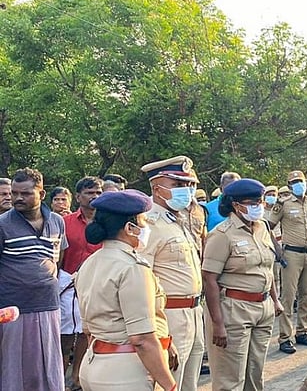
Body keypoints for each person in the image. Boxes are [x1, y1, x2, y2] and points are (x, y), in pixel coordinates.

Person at [75, 189, 177, 391]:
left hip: (95, 363)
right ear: (130, 228)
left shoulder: (90, 262)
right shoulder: (132, 267)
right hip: (126, 371)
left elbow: (88, 330)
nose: (147, 227)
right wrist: (170, 386)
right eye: (143, 221)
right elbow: (142, 340)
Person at [202, 179, 282, 391]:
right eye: (253, 203)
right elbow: (209, 279)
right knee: (230, 378)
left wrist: (275, 300)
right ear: (236, 205)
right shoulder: (222, 234)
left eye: (260, 201)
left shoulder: (262, 227)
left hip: (263, 308)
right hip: (234, 309)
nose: (259, 206)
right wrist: (217, 324)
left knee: (254, 375)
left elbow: (266, 268)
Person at [139, 156, 206, 391]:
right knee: (168, 382)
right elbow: (143, 281)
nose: (186, 190)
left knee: (190, 384)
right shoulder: (148, 224)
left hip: (193, 312)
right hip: (170, 315)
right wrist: (159, 331)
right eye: (177, 185)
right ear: (157, 189)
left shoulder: (177, 219)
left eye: (187, 185)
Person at [0, 168, 68, 391]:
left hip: (48, 304)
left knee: (47, 368)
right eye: (14, 193)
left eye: (26, 193)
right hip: (13, 308)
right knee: (15, 370)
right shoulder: (3, 224)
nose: (18, 198)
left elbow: (57, 259)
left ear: (42, 193)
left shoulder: (57, 222)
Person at [269, 170, 307, 353]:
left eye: (301, 181)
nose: (299, 184)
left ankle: (302, 331)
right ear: (290, 186)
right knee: (288, 297)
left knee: (306, 295)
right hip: (290, 254)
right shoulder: (283, 204)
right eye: (294, 182)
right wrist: (278, 250)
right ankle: (285, 337)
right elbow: (268, 227)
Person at [60, 176, 105, 390]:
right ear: (78, 197)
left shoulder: (107, 222)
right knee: (66, 333)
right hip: (67, 284)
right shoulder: (65, 222)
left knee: (88, 331)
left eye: (98, 193)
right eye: (89, 193)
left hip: (98, 283)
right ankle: (59, 376)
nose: (94, 197)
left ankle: (78, 375)